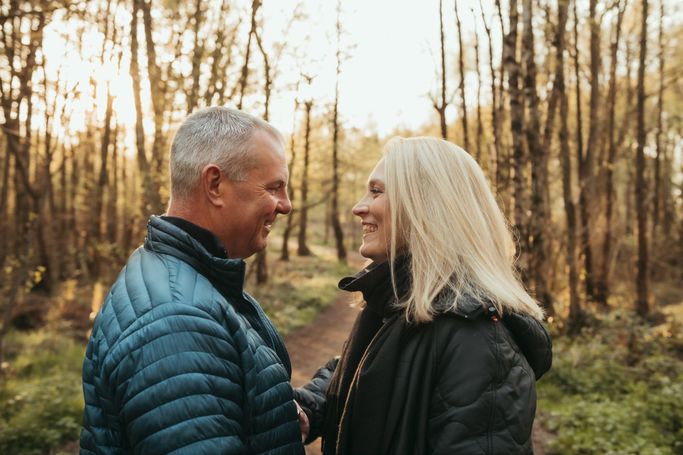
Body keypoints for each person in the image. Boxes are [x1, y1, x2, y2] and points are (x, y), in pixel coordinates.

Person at [295, 136, 553, 455]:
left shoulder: (476, 340)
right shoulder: (400, 305)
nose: (358, 207)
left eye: (376, 191)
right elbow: (375, 371)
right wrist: (310, 408)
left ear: (424, 207)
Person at [80, 107, 308, 454]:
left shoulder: (194, 280)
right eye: (274, 187)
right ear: (215, 184)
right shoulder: (175, 321)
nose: (286, 205)